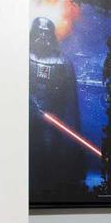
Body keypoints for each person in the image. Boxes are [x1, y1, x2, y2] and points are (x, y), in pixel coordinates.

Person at [29, 17, 87, 200]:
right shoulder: (22, 58)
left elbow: (69, 100)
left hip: (51, 122)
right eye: (39, 31)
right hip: (26, 121)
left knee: (49, 154)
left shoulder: (63, 62)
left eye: (46, 32)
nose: (42, 36)